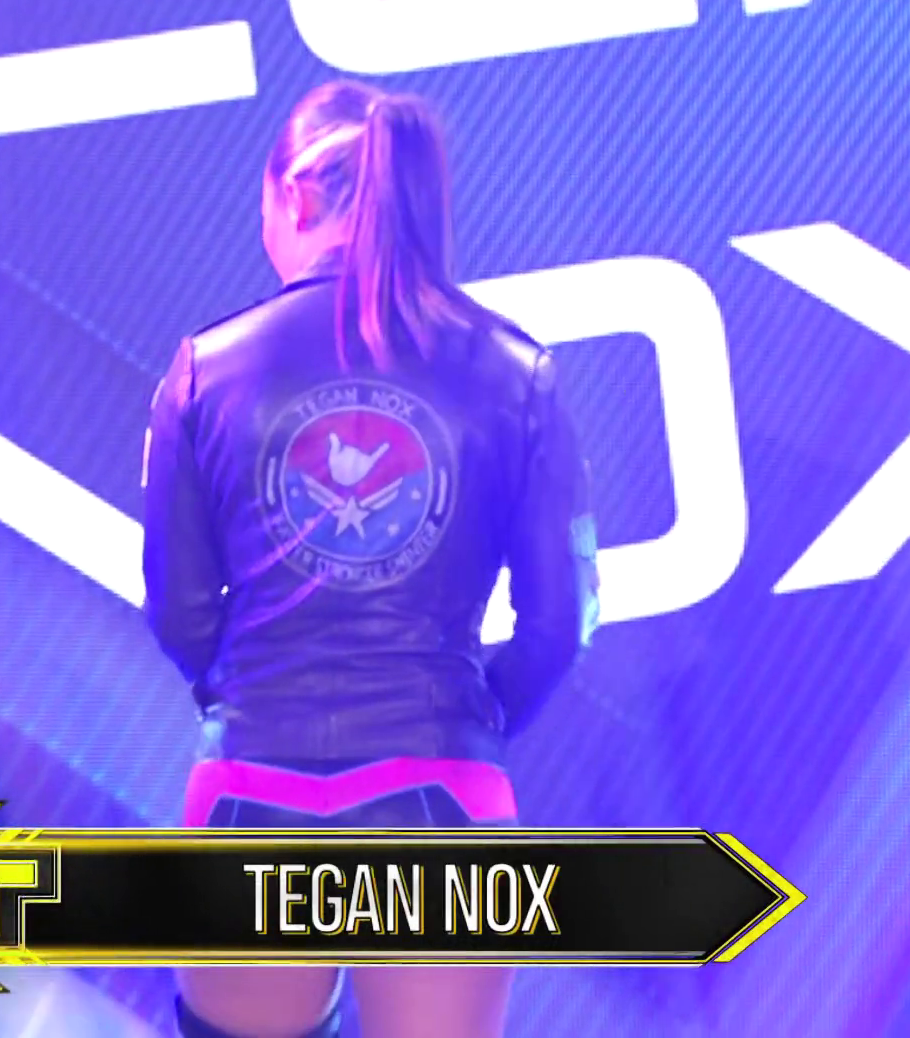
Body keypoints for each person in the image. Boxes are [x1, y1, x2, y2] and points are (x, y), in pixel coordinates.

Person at [140, 79, 601, 1038]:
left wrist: (250, 694)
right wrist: (471, 713)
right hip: (440, 789)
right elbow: (561, 624)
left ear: (296, 195)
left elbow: (180, 614)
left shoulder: (205, 370)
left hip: (253, 785)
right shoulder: (516, 374)